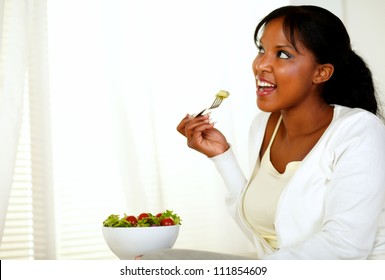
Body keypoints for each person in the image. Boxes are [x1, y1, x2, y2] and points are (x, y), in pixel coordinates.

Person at [141, 5, 385, 259]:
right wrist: (221, 156)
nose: (261, 65)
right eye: (261, 50)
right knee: (152, 261)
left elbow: (345, 247)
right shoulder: (263, 125)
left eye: (282, 54)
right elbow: (263, 230)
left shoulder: (359, 131)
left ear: (320, 72)